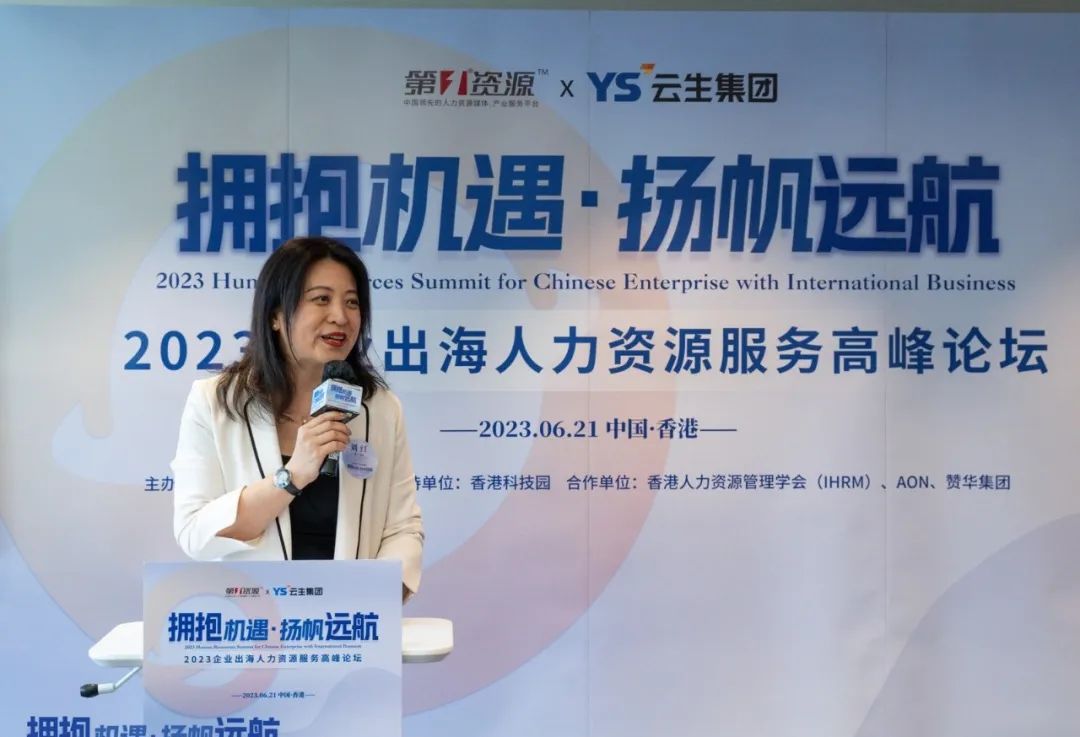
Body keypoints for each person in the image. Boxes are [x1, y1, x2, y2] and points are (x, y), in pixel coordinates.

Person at [171, 236, 422, 599]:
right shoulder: (216, 402)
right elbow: (195, 532)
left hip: (347, 618)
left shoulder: (379, 408)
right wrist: (293, 476)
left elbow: (402, 528)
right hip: (254, 619)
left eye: (352, 302)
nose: (340, 316)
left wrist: (378, 599)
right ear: (275, 315)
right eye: (321, 299)